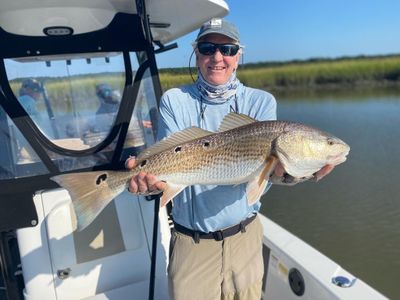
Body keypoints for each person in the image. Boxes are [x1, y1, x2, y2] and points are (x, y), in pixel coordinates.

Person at [126, 18, 334, 299]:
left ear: (239, 56)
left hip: (245, 239)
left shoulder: (261, 102)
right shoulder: (175, 101)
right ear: (196, 54)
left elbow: (271, 173)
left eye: (228, 49)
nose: (218, 57)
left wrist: (302, 173)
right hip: (192, 243)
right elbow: (169, 165)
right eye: (208, 47)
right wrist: (149, 184)